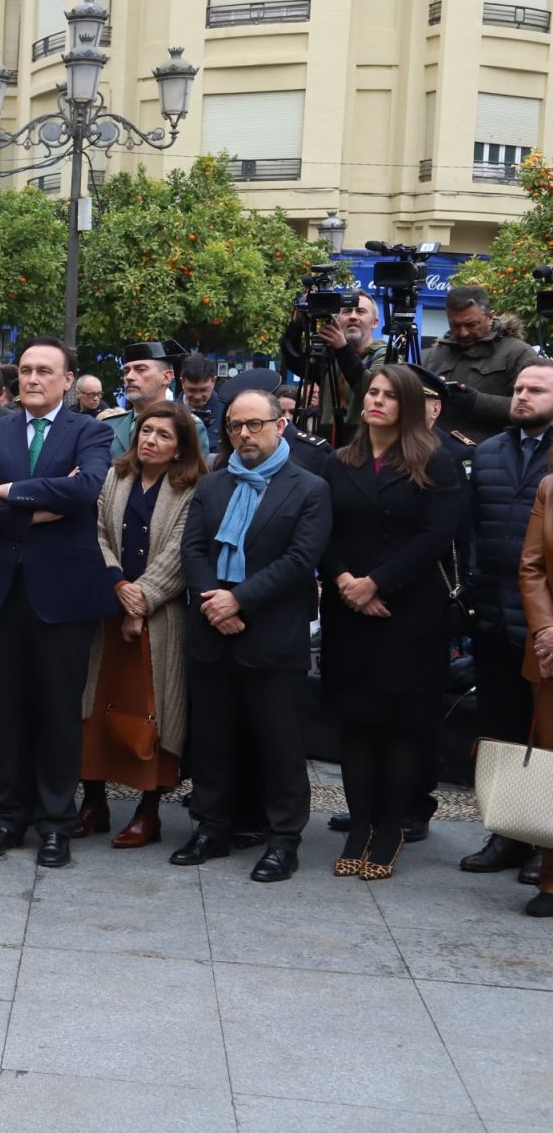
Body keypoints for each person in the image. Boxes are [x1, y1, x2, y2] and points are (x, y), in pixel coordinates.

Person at [0, 337, 114, 869]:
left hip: (63, 597)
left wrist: (7, 493)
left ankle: (54, 822)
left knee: (57, 713)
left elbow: (87, 491)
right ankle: (5, 817)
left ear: (68, 379)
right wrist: (38, 503)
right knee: (3, 712)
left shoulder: (91, 432)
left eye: (45, 370)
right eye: (25, 370)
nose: (32, 379)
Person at [171, 388, 330, 881]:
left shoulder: (308, 488)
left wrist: (238, 600)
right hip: (212, 632)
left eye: (254, 424)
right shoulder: (214, 484)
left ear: (280, 425)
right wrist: (212, 601)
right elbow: (193, 550)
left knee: (279, 745)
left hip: (270, 633)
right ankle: (211, 826)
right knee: (212, 739)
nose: (244, 434)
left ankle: (283, 840)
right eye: (236, 426)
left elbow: (300, 561)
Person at [319, 364, 461, 881]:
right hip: (347, 611)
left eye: (388, 396)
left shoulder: (435, 462)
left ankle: (391, 827)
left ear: (409, 406)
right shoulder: (340, 461)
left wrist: (377, 584)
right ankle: (359, 826)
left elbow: (435, 537)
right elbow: (322, 531)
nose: (376, 401)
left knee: (400, 726)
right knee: (355, 723)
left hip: (409, 612)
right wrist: (345, 584)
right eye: (371, 393)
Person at [74, 401, 206, 847]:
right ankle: (93, 803)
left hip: (160, 618)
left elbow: (181, 553)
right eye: (146, 431)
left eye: (163, 435)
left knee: (154, 711)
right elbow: (95, 533)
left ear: (179, 448)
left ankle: (149, 813)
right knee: (94, 707)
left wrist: (142, 601)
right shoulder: (116, 476)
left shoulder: (192, 489)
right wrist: (117, 585)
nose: (150, 440)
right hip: (107, 611)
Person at [461, 363, 553, 877]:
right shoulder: (491, 450)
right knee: (500, 729)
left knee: (546, 736)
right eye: (517, 388)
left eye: (535, 389)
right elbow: (473, 526)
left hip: (545, 620)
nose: (521, 396)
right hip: (494, 613)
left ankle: (546, 845)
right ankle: (508, 833)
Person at [423, 285, 536, 444]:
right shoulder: (437, 353)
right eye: (455, 325)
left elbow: (535, 407)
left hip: (492, 456)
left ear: (490, 317)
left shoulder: (517, 353)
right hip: (437, 453)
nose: (463, 333)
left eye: (471, 325)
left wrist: (475, 402)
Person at [513, 471, 553, 916]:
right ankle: (551, 879)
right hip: (549, 654)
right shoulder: (549, 487)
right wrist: (545, 629)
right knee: (551, 762)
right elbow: (532, 565)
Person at [283, 294, 387, 446]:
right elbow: (294, 362)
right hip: (327, 442)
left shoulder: (383, 354)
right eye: (346, 311)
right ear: (337, 320)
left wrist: (343, 349)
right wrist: (298, 321)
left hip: (365, 441)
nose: (353, 317)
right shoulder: (330, 356)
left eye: (360, 311)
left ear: (375, 323)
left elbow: (371, 390)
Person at [101, 341, 210, 458]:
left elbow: (194, 473)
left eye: (141, 369)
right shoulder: (108, 425)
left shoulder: (188, 426)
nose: (129, 377)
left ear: (166, 377)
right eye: (126, 371)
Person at [179, 355, 221, 448]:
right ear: (182, 382)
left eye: (203, 390)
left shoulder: (227, 412)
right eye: (192, 390)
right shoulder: (169, 411)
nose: (197, 397)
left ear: (213, 381)